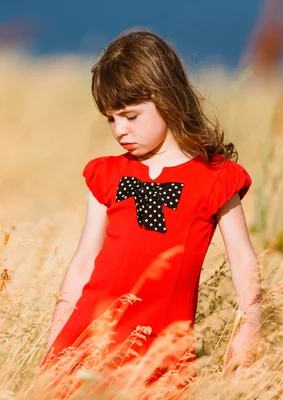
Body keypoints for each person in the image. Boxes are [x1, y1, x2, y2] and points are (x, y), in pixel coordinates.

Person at [38, 29, 263, 399]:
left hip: (160, 350)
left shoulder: (216, 178)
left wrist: (250, 321)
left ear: (167, 100)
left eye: (130, 116)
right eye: (111, 119)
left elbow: (242, 258)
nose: (120, 130)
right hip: (86, 338)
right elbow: (84, 260)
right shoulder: (106, 173)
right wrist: (57, 338)